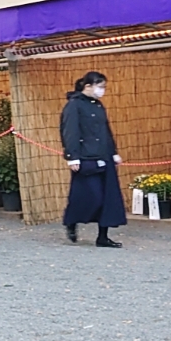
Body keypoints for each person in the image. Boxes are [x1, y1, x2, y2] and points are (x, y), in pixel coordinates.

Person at [60, 70, 126, 247]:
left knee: (107, 197)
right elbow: (70, 131)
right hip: (85, 157)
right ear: (87, 86)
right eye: (100, 86)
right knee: (91, 196)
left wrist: (113, 152)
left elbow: (105, 131)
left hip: (104, 155)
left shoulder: (98, 105)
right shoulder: (74, 105)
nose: (102, 90)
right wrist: (72, 156)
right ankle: (71, 221)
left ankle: (103, 236)